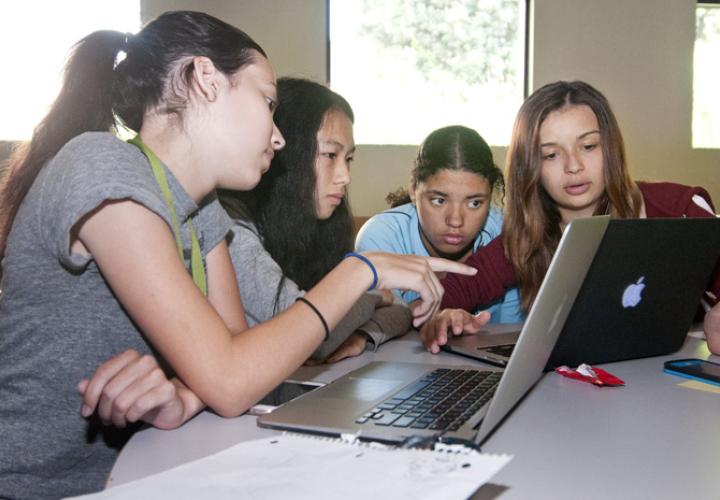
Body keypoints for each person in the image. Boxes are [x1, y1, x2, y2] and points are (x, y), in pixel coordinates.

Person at [0, 11, 475, 498]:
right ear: (205, 79)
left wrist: (184, 394)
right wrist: (361, 271)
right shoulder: (100, 163)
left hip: (135, 475)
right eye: (268, 101)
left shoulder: (200, 208)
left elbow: (236, 358)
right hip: (37, 486)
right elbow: (231, 379)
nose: (278, 135)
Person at [422, 80, 720, 354]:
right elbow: (442, 296)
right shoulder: (526, 238)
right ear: (531, 168)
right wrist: (445, 317)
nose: (573, 166)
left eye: (588, 146)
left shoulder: (679, 207)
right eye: (551, 155)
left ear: (610, 148)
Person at [219, 77, 411, 363]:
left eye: (348, 159)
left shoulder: (321, 225)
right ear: (287, 152)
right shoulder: (232, 228)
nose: (345, 176)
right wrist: (371, 296)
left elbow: (401, 309)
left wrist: (363, 334)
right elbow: (305, 330)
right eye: (330, 155)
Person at [355, 125, 523, 324]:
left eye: (474, 203)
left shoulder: (505, 233)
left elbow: (510, 335)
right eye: (439, 200)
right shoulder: (381, 238)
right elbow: (383, 327)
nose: (455, 220)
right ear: (413, 190)